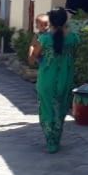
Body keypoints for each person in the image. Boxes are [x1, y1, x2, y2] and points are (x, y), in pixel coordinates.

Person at [28, 8, 79, 153]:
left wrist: (32, 46)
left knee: (47, 108)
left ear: (51, 23)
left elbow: (33, 58)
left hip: (46, 79)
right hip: (65, 79)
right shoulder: (73, 38)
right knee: (61, 108)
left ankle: (50, 140)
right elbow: (74, 53)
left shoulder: (43, 39)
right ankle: (56, 138)